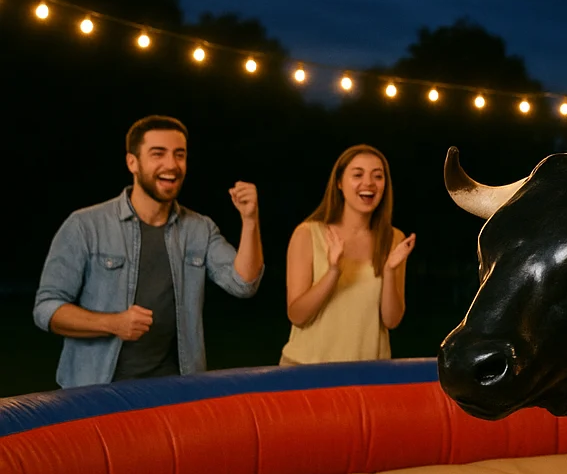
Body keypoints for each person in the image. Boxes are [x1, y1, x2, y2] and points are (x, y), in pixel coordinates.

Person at [33, 115, 263, 388]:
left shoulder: (199, 229)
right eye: (158, 154)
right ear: (132, 162)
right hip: (94, 392)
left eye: (180, 155)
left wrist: (250, 220)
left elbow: (244, 283)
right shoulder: (85, 225)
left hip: (174, 390)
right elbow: (47, 309)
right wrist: (113, 323)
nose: (171, 165)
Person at [282, 145, 415, 364]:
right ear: (339, 183)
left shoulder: (394, 239)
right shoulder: (307, 234)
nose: (369, 183)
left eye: (378, 176)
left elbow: (391, 320)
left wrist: (390, 270)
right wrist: (333, 272)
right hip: (306, 371)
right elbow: (297, 316)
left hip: (369, 375)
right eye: (357, 174)